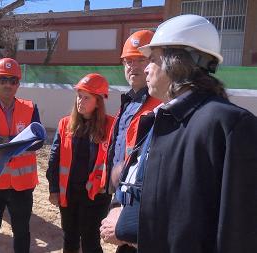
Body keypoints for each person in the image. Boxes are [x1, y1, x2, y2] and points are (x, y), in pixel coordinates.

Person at [115, 14, 257, 252]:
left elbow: (236, 232)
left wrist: (129, 224)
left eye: (153, 59)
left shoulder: (230, 126)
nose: (146, 68)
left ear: (176, 62)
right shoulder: (162, 119)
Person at [99, 30, 159, 253]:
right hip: (121, 192)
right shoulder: (130, 101)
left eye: (140, 60)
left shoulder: (160, 105)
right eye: (128, 61)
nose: (133, 66)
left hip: (138, 199)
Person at [0, 57, 41, 253]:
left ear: (18, 84)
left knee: (22, 232)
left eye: (13, 80)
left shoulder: (30, 108)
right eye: (2, 79)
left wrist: (1, 140)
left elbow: (38, 141)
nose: (7, 84)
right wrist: (19, 141)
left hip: (22, 185)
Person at [46, 73, 114, 253]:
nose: (80, 101)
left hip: (96, 196)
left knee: (91, 241)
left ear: (98, 101)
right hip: (69, 193)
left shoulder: (112, 126)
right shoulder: (65, 124)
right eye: (78, 96)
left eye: (86, 97)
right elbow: (54, 160)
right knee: (70, 238)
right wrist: (54, 188)